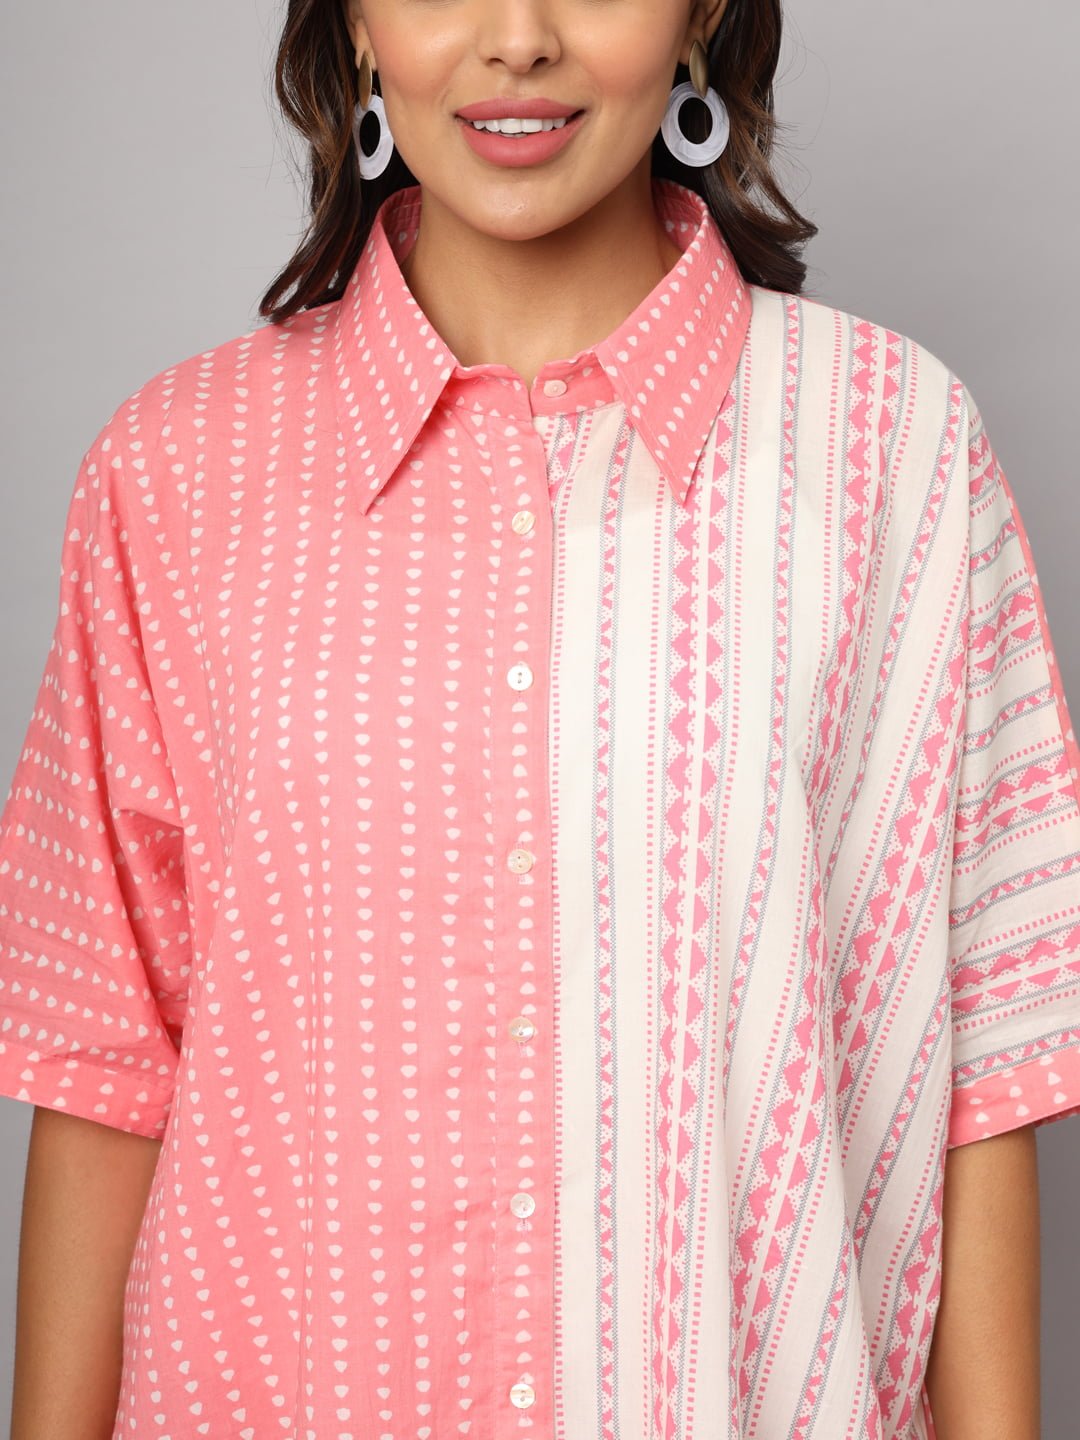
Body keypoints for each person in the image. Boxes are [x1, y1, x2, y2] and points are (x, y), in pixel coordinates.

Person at [1, 1, 1077, 1436]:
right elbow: (106, 1066)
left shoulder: (891, 450)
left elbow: (984, 1060)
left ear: (702, 15)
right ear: (355, 25)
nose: (517, 39)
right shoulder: (177, 476)